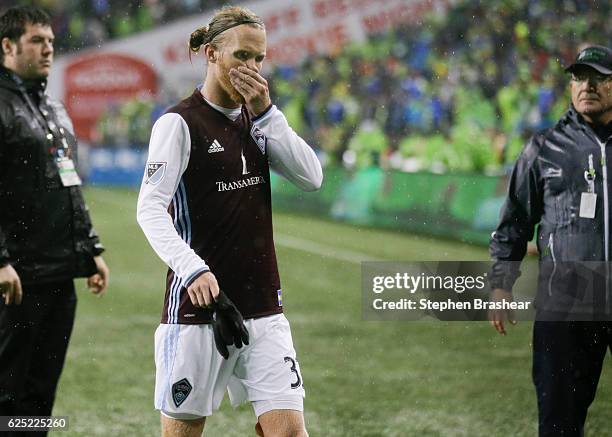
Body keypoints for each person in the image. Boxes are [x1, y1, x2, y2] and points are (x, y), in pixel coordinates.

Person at [136, 6, 322, 437]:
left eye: (259, 58)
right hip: (200, 310)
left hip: (264, 307)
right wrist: (193, 268)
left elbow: (311, 178)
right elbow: (149, 209)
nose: (252, 68)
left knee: (291, 432)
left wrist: (267, 112)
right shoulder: (178, 123)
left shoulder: (260, 123)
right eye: (242, 56)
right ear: (211, 54)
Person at [489, 45, 612, 437]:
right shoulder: (543, 148)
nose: (586, 86)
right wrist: (500, 284)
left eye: (598, 78)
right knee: (559, 421)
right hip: (566, 304)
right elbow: (514, 222)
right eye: (578, 77)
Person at [0, 5, 109, 433]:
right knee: (6, 392)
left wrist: (90, 250)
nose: (48, 49)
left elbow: (70, 186)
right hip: (17, 277)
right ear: (7, 47)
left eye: (50, 41)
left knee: (41, 393)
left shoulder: (54, 108)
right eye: (36, 41)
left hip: (59, 275)